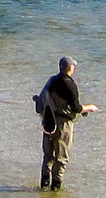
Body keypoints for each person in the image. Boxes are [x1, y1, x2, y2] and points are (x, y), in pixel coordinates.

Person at [36, 56, 97, 190]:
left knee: (48, 156)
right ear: (70, 68)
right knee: (62, 157)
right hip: (63, 124)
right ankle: (56, 189)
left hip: (48, 122)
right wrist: (89, 108)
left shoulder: (52, 80)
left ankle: (44, 185)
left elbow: (41, 100)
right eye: (73, 66)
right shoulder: (70, 84)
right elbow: (76, 107)